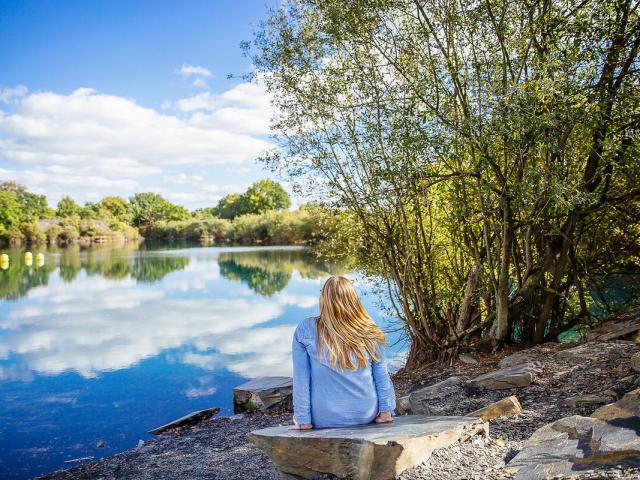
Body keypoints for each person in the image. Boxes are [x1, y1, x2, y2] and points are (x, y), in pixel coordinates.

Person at [291, 275, 396, 430]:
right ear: (353, 299)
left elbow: (301, 379)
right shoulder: (370, 329)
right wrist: (386, 411)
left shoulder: (306, 329)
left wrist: (303, 420)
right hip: (365, 413)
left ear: (324, 298)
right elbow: (381, 375)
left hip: (324, 417)